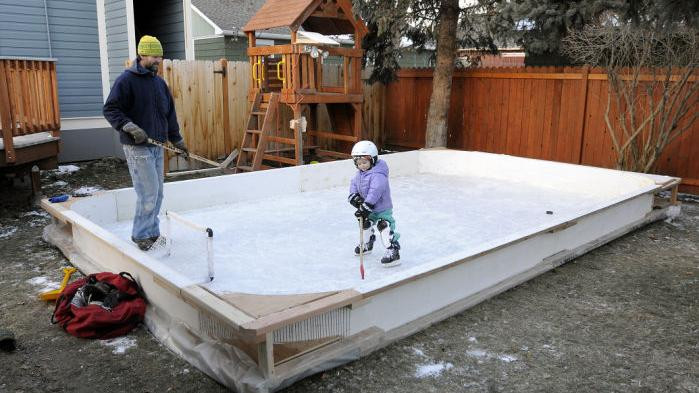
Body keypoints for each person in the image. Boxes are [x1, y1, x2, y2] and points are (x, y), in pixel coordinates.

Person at [103, 35, 188, 251]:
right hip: (137, 146)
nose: (159, 60)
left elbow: (168, 114)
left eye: (160, 56)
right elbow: (111, 109)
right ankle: (141, 235)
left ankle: (151, 233)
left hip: (157, 145)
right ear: (142, 55)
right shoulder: (126, 80)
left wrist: (177, 139)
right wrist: (129, 126)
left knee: (157, 192)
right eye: (155, 56)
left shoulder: (159, 83)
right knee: (148, 192)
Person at [348, 140, 401, 266]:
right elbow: (353, 185)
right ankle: (367, 243)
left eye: (365, 162)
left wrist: (366, 205)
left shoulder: (378, 174)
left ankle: (393, 250)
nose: (362, 166)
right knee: (365, 224)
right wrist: (354, 197)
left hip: (382, 208)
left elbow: (375, 191)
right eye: (359, 163)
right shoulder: (359, 174)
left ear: (373, 159)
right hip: (369, 208)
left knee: (384, 226)